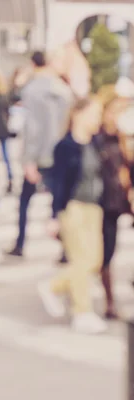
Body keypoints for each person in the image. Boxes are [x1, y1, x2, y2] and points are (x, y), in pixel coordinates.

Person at [39, 98, 105, 334]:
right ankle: (82, 311)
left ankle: (54, 285)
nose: (98, 119)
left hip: (94, 207)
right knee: (81, 261)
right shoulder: (66, 146)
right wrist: (55, 215)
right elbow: (59, 184)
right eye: (94, 114)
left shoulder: (95, 143)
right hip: (74, 207)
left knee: (94, 260)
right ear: (78, 114)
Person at [6, 51, 72, 258]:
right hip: (61, 153)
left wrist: (28, 160)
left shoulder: (32, 90)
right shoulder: (63, 90)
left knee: (26, 200)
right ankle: (66, 248)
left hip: (39, 154)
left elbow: (32, 128)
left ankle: (20, 243)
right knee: (59, 201)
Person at [93, 86, 133, 319]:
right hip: (104, 201)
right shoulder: (96, 137)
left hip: (122, 199)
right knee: (106, 251)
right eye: (116, 110)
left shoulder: (123, 136)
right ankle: (109, 301)